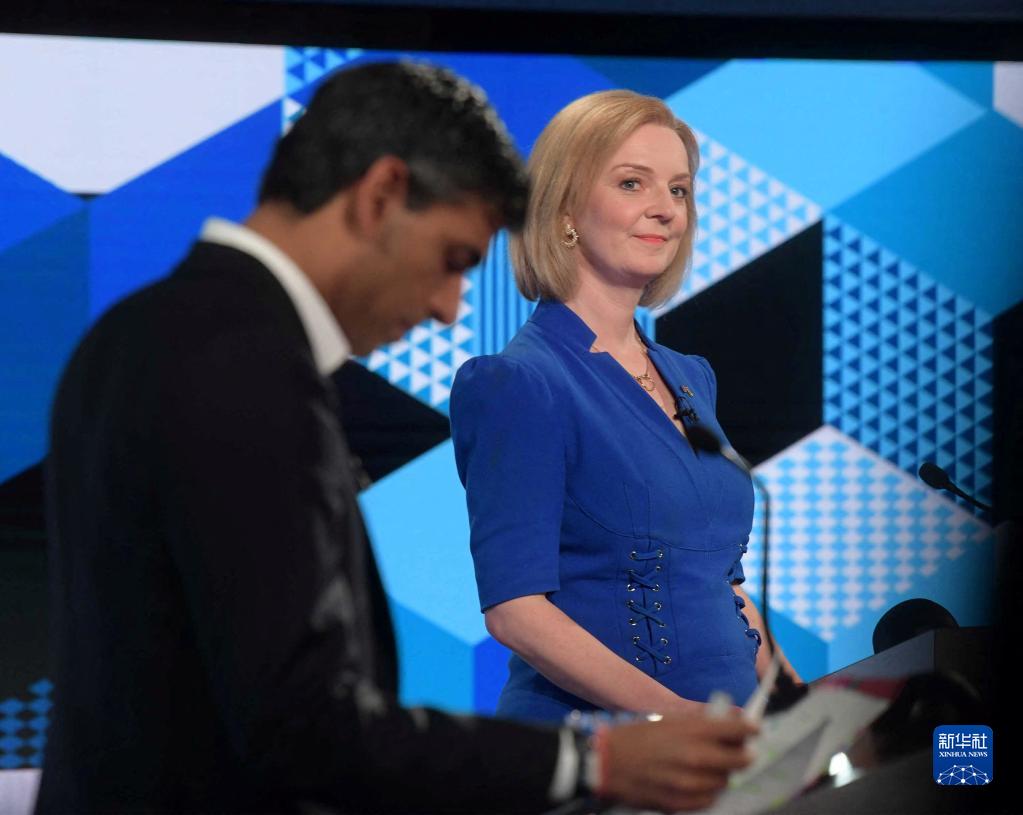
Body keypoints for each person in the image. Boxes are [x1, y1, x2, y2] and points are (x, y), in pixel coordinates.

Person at [36, 63, 757, 814]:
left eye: (679, 189)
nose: (447, 306)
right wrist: (591, 759)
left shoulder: (144, 332)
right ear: (380, 196)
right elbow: (305, 725)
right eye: (451, 260)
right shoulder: (241, 367)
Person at [450, 89, 801, 725]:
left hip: (726, 745)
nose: (666, 209)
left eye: (679, 190)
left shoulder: (692, 378)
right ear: (564, 209)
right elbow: (516, 613)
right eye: (632, 183)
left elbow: (720, 583)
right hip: (604, 746)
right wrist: (680, 721)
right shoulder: (518, 383)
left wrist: (795, 703)